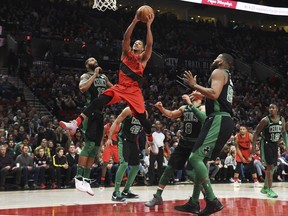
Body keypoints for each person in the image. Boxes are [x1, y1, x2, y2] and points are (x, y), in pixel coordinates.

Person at [59, 11, 157, 155]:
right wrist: (135, 20)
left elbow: (150, 44)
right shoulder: (126, 53)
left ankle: (150, 139)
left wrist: (148, 26)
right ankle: (75, 123)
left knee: (143, 119)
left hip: (134, 91)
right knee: (99, 100)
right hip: (120, 87)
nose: (137, 42)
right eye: (136, 42)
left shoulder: (143, 59)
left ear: (142, 49)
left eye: (139, 43)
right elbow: (126, 37)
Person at [176, 53, 235, 215]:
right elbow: (219, 97)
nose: (213, 60)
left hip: (218, 119)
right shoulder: (227, 77)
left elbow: (215, 94)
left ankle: (212, 200)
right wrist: (202, 95)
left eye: (215, 58)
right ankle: (194, 202)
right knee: (199, 164)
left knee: (194, 159)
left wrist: (195, 85)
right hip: (223, 120)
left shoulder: (218, 72)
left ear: (221, 61)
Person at [145, 93, 205, 207]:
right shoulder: (184, 108)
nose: (191, 94)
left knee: (192, 173)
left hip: (196, 144)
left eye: (195, 93)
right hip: (183, 143)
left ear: (201, 97)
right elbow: (171, 114)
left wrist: (190, 103)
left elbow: (203, 118)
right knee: (169, 168)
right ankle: (158, 196)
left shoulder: (203, 108)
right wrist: (161, 108)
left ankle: (206, 196)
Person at [69, 57, 113, 196]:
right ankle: (78, 178)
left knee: (95, 148)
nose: (94, 60)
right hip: (90, 112)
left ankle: (86, 181)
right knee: (88, 145)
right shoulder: (86, 75)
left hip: (101, 113)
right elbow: (82, 88)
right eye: (91, 60)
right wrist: (94, 75)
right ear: (87, 65)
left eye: (95, 58)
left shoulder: (104, 76)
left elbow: (113, 89)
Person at [252, 103, 288, 198]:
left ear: (277, 109)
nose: (271, 109)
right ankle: (270, 189)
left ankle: (265, 187)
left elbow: (284, 133)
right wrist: (253, 148)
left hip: (275, 144)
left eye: (273, 108)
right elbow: (256, 133)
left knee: (274, 167)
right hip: (266, 144)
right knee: (270, 167)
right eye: (270, 108)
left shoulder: (282, 120)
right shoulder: (265, 120)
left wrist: (286, 145)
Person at [107, 107, 143, 202]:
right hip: (124, 140)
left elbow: (140, 129)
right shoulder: (128, 110)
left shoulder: (144, 113)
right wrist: (110, 137)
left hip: (133, 141)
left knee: (136, 167)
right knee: (124, 164)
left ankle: (126, 191)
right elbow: (116, 122)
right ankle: (116, 192)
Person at [147, 120, 170, 186]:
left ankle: (159, 181)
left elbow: (165, 143)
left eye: (159, 124)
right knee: (151, 165)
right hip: (153, 149)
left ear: (161, 125)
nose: (157, 125)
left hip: (160, 149)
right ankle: (151, 181)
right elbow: (148, 141)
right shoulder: (152, 133)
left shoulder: (163, 134)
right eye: (156, 124)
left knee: (160, 165)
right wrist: (146, 149)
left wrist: (168, 151)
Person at [100, 114, 120, 187]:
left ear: (116, 119)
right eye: (111, 118)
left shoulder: (119, 126)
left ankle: (122, 179)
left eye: (113, 118)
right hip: (108, 145)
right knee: (105, 163)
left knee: (120, 163)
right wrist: (101, 147)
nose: (112, 119)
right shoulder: (106, 127)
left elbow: (120, 137)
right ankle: (102, 181)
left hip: (116, 145)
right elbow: (102, 138)